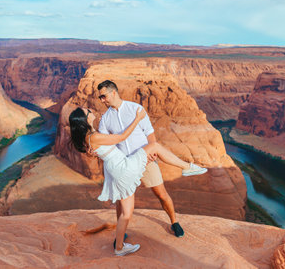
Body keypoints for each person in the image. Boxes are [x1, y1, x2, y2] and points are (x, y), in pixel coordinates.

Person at [69, 106, 207, 256]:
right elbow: (121, 138)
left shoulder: (91, 135)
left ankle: (120, 246)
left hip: (117, 168)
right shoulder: (94, 137)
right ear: (85, 119)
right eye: (87, 111)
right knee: (154, 147)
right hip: (123, 167)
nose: (90, 110)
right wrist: (137, 119)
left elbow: (100, 147)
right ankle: (187, 167)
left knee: (126, 212)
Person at [97, 80, 207, 241]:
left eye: (103, 96)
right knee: (121, 203)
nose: (101, 100)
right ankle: (121, 233)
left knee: (161, 194)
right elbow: (106, 143)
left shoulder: (136, 109)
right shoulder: (105, 119)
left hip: (145, 160)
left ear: (114, 93)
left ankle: (174, 221)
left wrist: (153, 153)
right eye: (100, 97)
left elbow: (149, 133)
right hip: (125, 165)